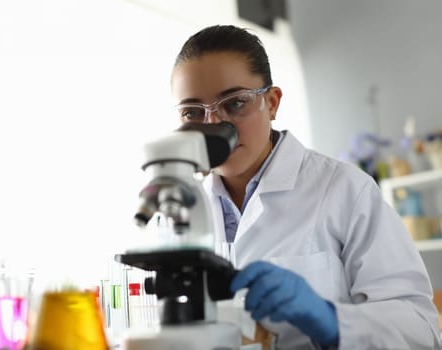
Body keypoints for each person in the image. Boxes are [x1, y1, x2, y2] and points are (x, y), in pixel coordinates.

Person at [170, 24, 441, 349]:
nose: (214, 126)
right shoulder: (181, 204)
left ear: (271, 102)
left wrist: (328, 319)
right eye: (193, 113)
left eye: (235, 104)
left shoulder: (345, 190)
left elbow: (422, 331)